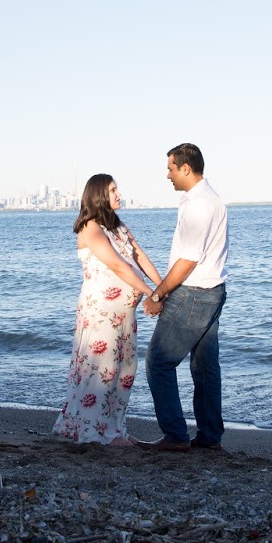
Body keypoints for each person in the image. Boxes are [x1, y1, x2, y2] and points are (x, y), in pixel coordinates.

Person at [53, 173, 163, 445]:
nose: (119, 194)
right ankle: (93, 433)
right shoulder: (90, 227)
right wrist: (151, 294)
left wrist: (162, 288)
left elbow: (139, 256)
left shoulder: (117, 226)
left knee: (125, 371)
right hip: (102, 314)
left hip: (124, 315)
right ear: (99, 194)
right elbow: (117, 265)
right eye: (113, 190)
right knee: (102, 370)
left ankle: (114, 429)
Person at [143, 143, 229, 452]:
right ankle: (209, 436)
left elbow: (188, 260)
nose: (167, 175)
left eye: (170, 169)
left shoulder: (199, 205)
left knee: (158, 362)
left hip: (194, 294)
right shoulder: (206, 199)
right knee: (204, 367)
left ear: (185, 168)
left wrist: (158, 294)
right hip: (212, 292)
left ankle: (176, 436)